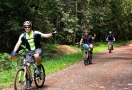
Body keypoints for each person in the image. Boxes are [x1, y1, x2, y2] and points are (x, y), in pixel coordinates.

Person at [11, 21, 56, 88]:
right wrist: (14, 51)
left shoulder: (35, 33)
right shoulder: (23, 35)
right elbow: (18, 43)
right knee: (27, 66)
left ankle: (38, 67)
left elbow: (45, 35)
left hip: (37, 49)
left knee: (36, 55)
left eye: (29, 26)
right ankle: (28, 81)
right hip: (29, 51)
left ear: (31, 27)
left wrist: (52, 34)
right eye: (25, 27)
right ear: (24, 27)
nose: (27, 28)